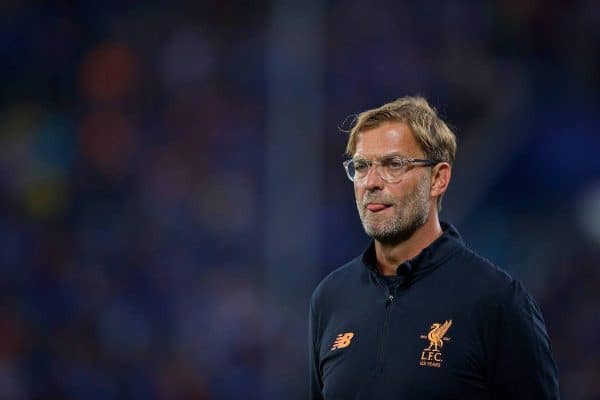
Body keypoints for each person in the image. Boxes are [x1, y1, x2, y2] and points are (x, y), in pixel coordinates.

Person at [308, 96, 560, 399]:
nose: (370, 182)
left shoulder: (498, 301)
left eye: (393, 164)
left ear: (438, 179)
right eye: (361, 167)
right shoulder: (330, 297)